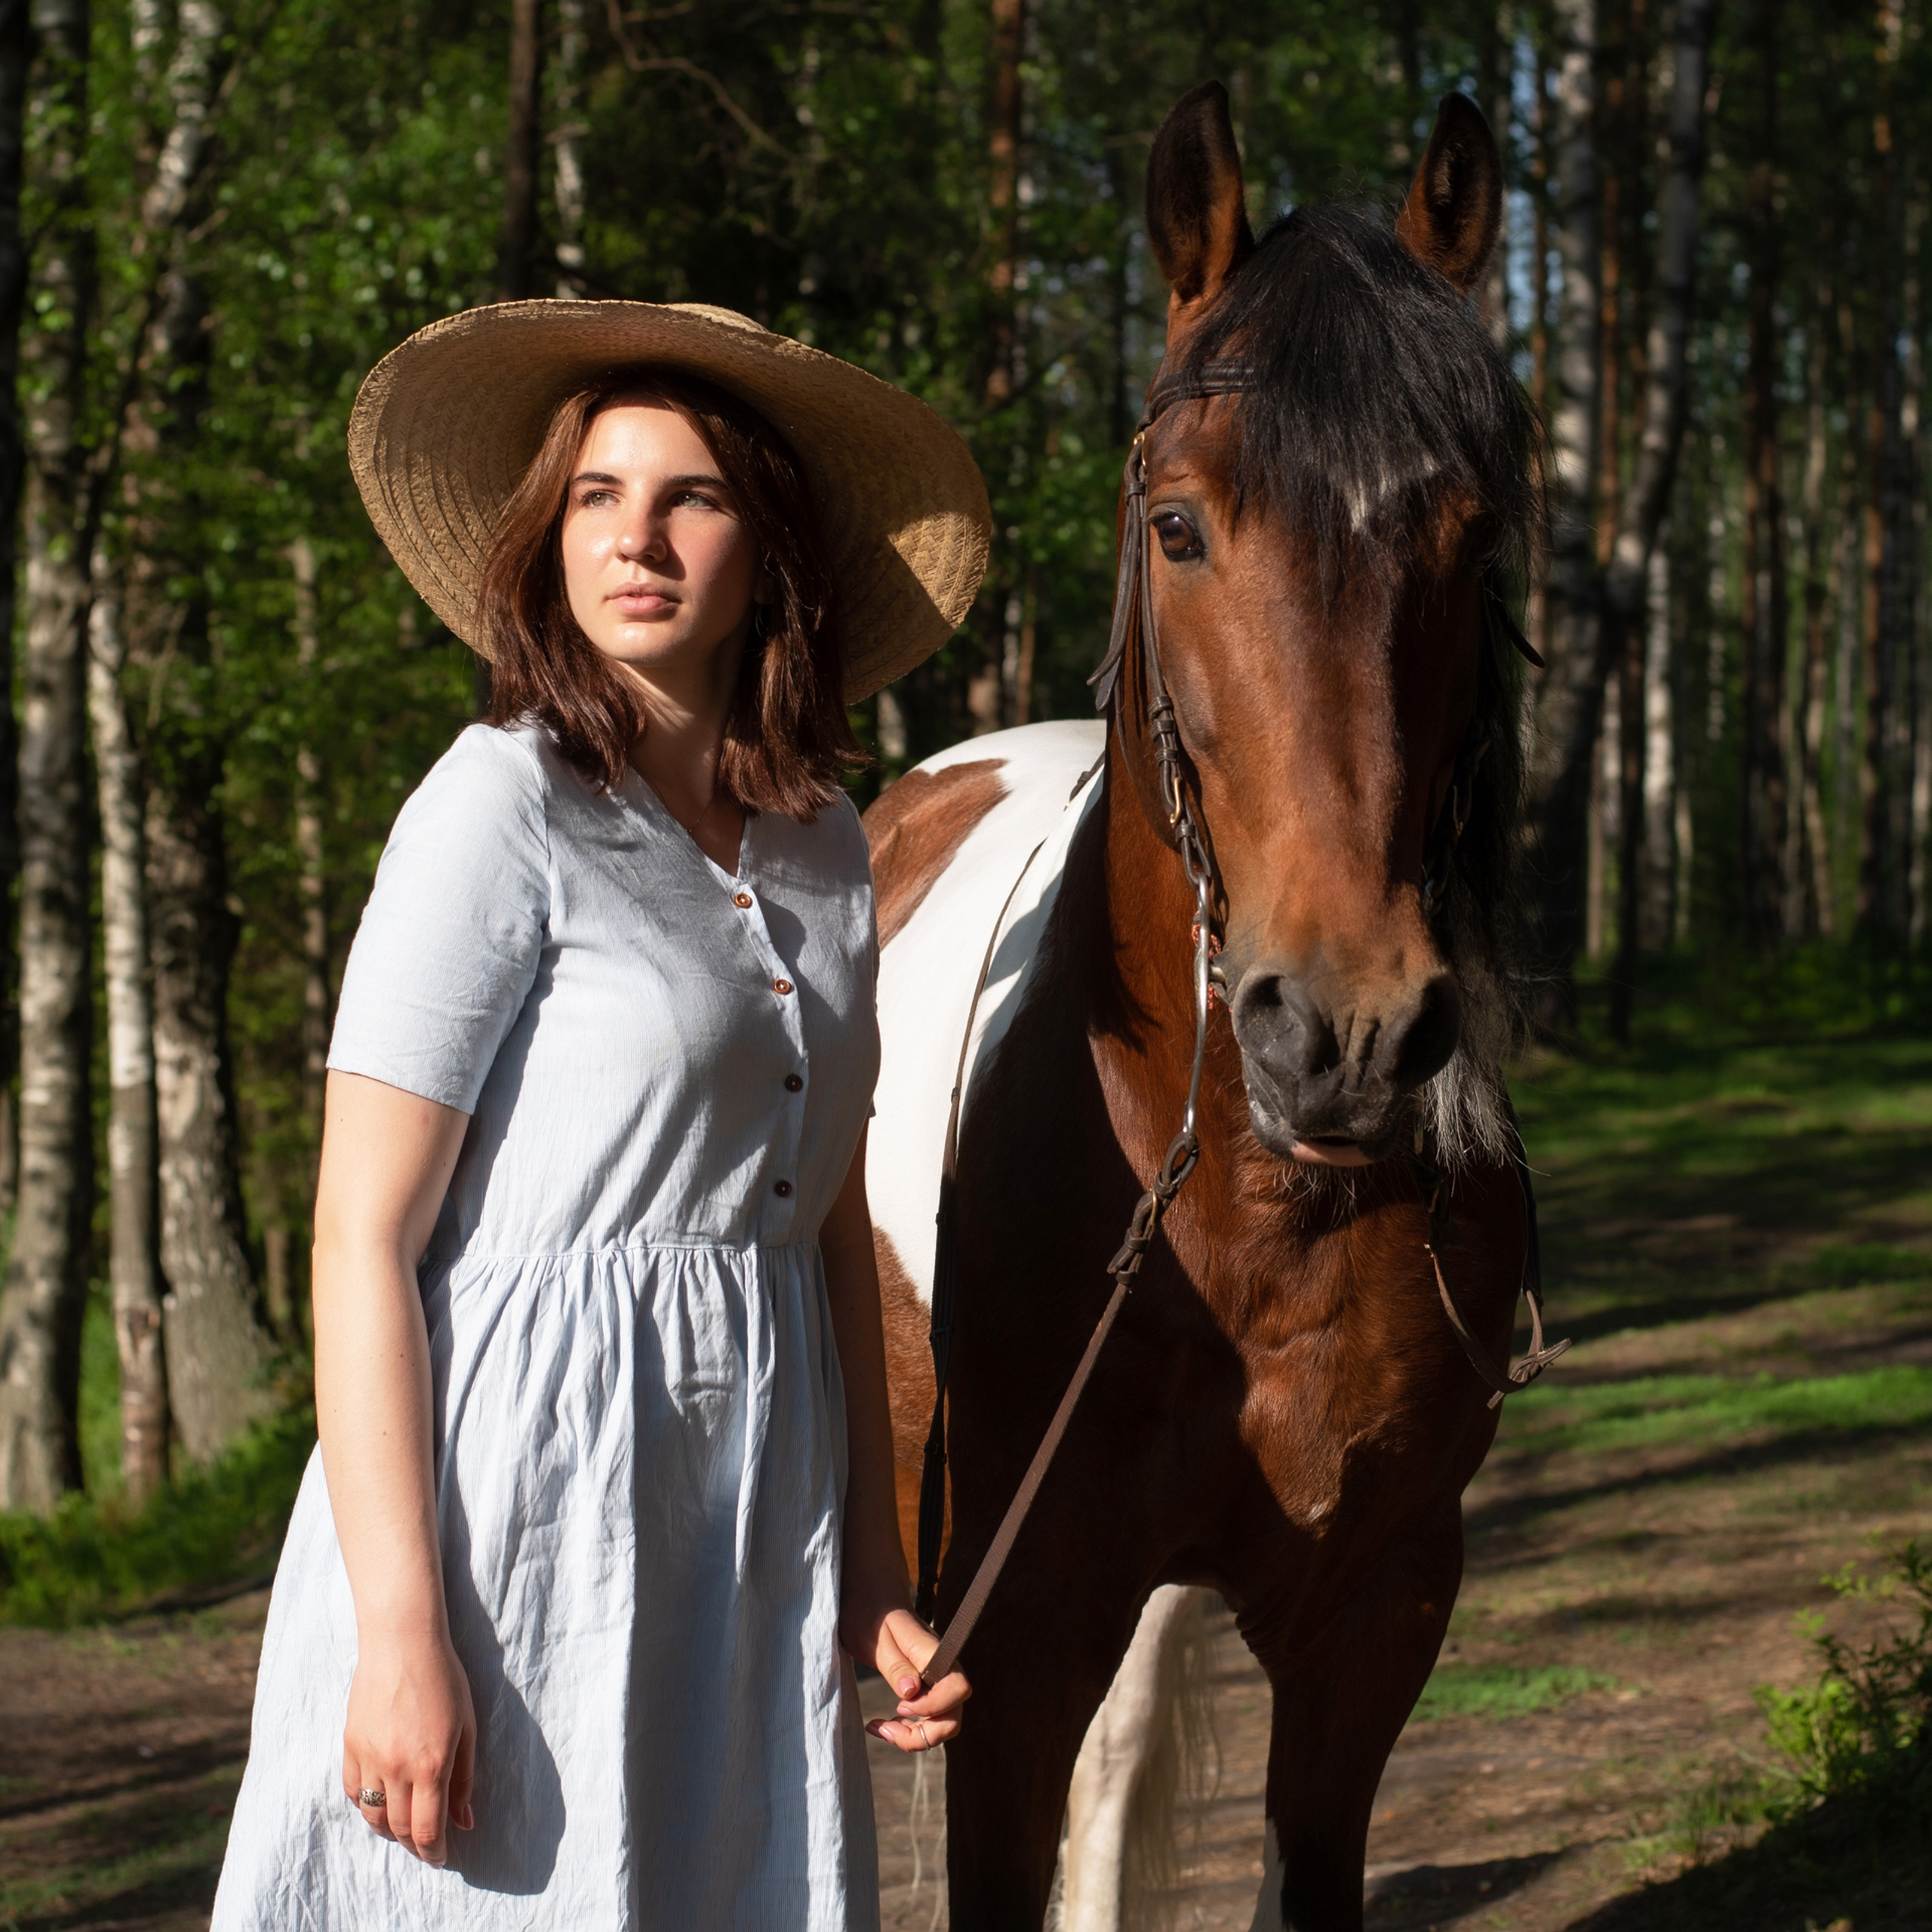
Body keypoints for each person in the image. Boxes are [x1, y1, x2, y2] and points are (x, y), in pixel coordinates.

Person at [210, 300, 990, 1929]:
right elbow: (361, 1234)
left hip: (748, 1507)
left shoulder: (824, 844)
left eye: (689, 494)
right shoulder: (497, 806)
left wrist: (873, 1570)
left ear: (766, 547)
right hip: (517, 1508)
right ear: (543, 535)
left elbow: (823, 1214)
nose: (636, 535)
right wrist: (401, 1629)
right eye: (593, 494)